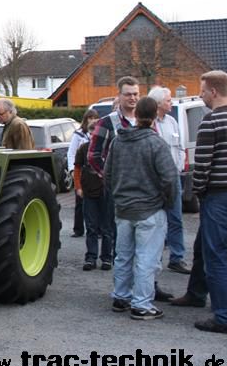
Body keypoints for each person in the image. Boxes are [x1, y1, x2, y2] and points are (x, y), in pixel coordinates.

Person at [105, 96, 179, 320]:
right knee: (147, 259)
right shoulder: (156, 143)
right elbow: (170, 178)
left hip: (123, 208)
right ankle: (141, 304)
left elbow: (108, 174)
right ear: (155, 115)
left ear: (135, 115)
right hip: (150, 208)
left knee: (123, 256)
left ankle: (121, 296)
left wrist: (117, 195)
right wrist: (167, 202)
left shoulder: (118, 141)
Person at [191, 70, 227, 335]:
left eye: (203, 91)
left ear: (214, 92)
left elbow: (202, 166)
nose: (201, 95)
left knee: (215, 257)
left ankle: (225, 317)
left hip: (218, 196)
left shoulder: (211, 121)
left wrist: (198, 193)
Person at [147, 86, 189, 274]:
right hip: (154, 182)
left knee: (176, 219)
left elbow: (179, 147)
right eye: (168, 100)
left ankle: (177, 257)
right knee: (155, 221)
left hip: (173, 179)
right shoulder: (148, 124)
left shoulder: (172, 121)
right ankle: (154, 258)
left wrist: (178, 168)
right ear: (158, 104)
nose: (171, 103)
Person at [74, 121, 112, 270]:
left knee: (107, 228)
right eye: (91, 133)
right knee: (91, 227)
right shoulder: (83, 149)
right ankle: (91, 257)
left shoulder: (109, 148)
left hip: (106, 192)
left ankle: (107, 258)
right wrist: (78, 187)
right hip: (89, 192)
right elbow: (77, 168)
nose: (93, 136)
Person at [67, 109, 100, 237]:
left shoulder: (99, 133)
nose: (92, 120)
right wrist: (71, 169)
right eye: (89, 118)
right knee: (80, 202)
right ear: (85, 120)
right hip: (82, 170)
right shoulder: (78, 134)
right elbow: (71, 153)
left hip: (95, 172)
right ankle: (78, 229)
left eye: (94, 118)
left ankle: (97, 229)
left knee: (97, 202)